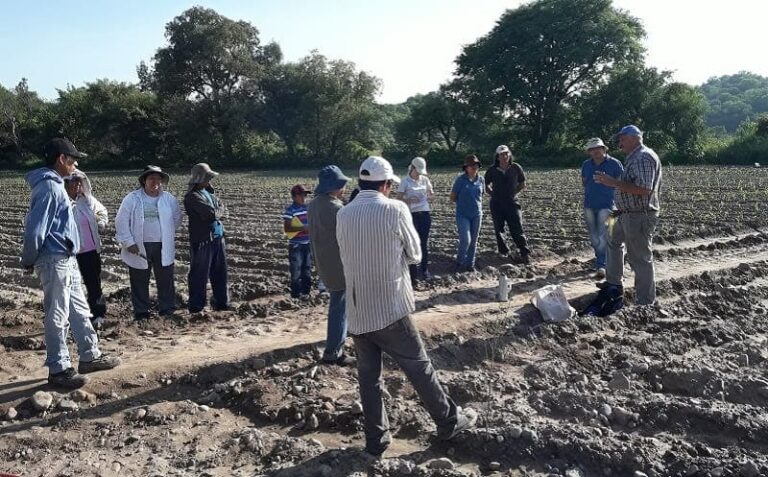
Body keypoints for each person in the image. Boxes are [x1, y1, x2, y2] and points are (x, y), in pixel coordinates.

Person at [337, 156, 477, 457]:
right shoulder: (395, 208)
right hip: (389, 308)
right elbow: (415, 254)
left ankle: (376, 441)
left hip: (358, 311)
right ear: (386, 185)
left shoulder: (344, 214)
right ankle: (449, 421)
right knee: (419, 367)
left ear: (361, 184)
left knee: (369, 379)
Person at [21, 138, 121, 388]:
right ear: (61, 159)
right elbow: (35, 229)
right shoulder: (49, 188)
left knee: (78, 308)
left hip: (66, 257)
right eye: (72, 158)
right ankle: (58, 368)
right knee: (58, 313)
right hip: (54, 259)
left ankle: (89, 355)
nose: (75, 163)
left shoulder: (55, 185)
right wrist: (28, 259)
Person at [594, 125, 662, 305]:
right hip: (624, 213)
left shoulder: (643, 157)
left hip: (639, 215)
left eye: (622, 138)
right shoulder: (634, 158)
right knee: (613, 242)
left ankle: (645, 301)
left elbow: (644, 190)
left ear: (634, 138)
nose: (620, 142)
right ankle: (614, 284)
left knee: (639, 258)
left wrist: (612, 182)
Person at [115, 166, 182, 320]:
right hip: (139, 245)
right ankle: (141, 312)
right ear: (144, 180)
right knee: (139, 279)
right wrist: (129, 242)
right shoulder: (132, 198)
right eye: (151, 178)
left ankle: (167, 309)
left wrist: (167, 233)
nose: (155, 182)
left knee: (165, 278)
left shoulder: (169, 199)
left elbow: (177, 218)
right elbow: (121, 221)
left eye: (158, 179)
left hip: (163, 245)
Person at [307, 165, 354, 366]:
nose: (344, 188)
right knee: (340, 307)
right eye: (342, 185)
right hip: (339, 265)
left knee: (341, 305)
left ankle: (341, 342)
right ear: (335, 186)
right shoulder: (337, 209)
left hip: (323, 262)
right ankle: (333, 352)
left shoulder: (313, 205)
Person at [64, 170, 109, 330]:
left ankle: (98, 315)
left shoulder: (87, 200)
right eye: (73, 182)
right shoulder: (61, 202)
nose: (77, 185)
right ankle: (72, 317)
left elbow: (102, 211)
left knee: (94, 283)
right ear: (66, 183)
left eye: (79, 182)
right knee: (70, 285)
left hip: (90, 250)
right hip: (70, 252)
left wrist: (102, 222)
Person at [184, 163, 230, 313]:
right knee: (199, 274)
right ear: (199, 179)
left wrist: (219, 210)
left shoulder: (209, 194)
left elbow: (221, 208)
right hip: (202, 240)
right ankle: (197, 306)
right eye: (207, 177)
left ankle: (222, 303)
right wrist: (219, 210)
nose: (209, 181)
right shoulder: (192, 197)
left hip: (217, 238)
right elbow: (211, 214)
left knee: (220, 273)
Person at [580, 138, 624, 279]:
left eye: (598, 148)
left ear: (604, 149)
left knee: (604, 235)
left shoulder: (614, 163)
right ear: (589, 152)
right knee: (594, 237)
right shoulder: (586, 165)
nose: (595, 151)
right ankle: (603, 261)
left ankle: (602, 265)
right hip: (590, 205)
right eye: (592, 149)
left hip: (609, 206)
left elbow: (622, 183)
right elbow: (584, 182)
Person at [484, 145, 531, 264]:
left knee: (517, 228)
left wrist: (514, 193)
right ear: (497, 157)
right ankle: (504, 253)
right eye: (501, 154)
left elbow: (522, 183)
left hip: (512, 203)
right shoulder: (492, 170)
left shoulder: (516, 167)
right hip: (497, 204)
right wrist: (493, 194)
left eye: (506, 154)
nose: (504, 156)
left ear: (509, 155)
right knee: (499, 229)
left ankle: (524, 253)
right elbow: (486, 185)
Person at [397, 157, 434, 284]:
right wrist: (409, 200)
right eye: (417, 171)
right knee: (412, 243)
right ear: (412, 168)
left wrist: (429, 195)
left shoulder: (425, 179)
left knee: (423, 242)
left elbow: (431, 193)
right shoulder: (405, 181)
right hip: (411, 214)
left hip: (424, 213)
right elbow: (399, 198)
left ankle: (424, 269)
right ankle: (413, 274)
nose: (418, 174)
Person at [450, 155, 485, 272]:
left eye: (475, 165)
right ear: (466, 167)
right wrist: (463, 204)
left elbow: (481, 195)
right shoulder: (460, 180)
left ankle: (470, 264)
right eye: (471, 166)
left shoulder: (481, 180)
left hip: (477, 214)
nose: (473, 168)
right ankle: (459, 262)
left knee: (474, 241)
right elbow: (453, 197)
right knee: (466, 239)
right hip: (463, 215)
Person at [283, 184, 312, 299]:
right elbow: (287, 228)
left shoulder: (307, 208)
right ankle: (295, 294)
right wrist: (303, 228)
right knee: (296, 271)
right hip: (296, 245)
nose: (304, 197)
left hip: (307, 244)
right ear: (295, 196)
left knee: (307, 269)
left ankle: (306, 293)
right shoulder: (290, 210)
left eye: (305, 195)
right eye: (302, 195)